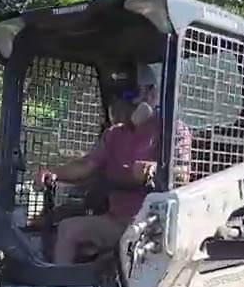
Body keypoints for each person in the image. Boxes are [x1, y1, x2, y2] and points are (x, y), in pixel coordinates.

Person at [35, 64, 192, 264]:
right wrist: (54, 173)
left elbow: (182, 175)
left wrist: (153, 170)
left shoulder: (174, 131)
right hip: (116, 221)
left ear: (151, 93)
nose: (122, 101)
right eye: (118, 94)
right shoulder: (114, 135)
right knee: (67, 229)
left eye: (130, 93)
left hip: (154, 225)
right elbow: (87, 165)